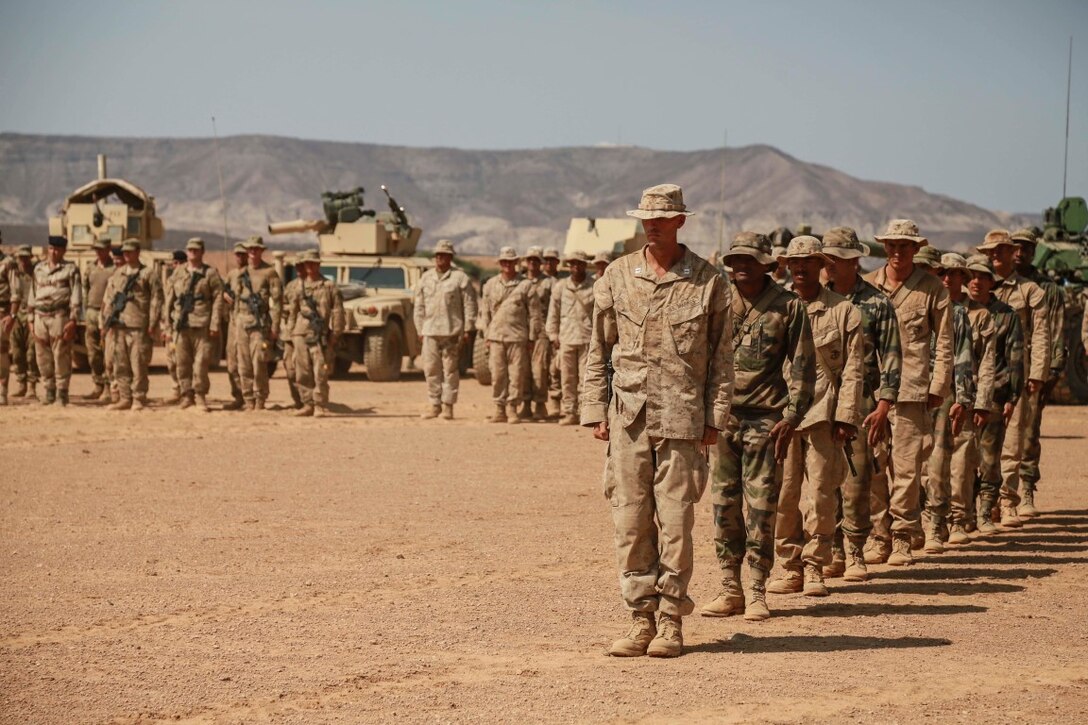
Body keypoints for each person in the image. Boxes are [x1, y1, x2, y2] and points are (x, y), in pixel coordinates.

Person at [584, 183, 734, 658]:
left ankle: (671, 620)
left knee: (675, 523)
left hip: (684, 420)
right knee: (630, 522)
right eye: (646, 217)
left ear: (679, 222)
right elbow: (598, 348)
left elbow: (721, 360)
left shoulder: (709, 281)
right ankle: (639, 619)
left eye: (662, 218)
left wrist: (715, 417)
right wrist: (595, 410)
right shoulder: (616, 275)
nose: (652, 224)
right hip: (629, 417)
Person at [701, 231, 813, 621]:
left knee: (762, 507)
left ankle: (758, 590)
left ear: (767, 263)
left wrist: (792, 416)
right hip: (724, 418)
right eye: (735, 261)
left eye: (749, 260)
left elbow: (803, 366)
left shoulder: (788, 307)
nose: (740, 267)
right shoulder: (718, 302)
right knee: (723, 504)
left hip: (767, 420)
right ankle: (730, 586)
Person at [768, 236, 863, 597]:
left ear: (822, 265)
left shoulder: (844, 311)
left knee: (823, 493)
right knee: (785, 493)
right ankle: (790, 565)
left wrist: (846, 417)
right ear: (787, 267)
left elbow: (853, 371)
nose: (801, 268)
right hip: (783, 417)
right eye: (794, 263)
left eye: (808, 261)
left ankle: (815, 566)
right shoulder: (776, 307)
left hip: (824, 412)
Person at [863, 220, 953, 567]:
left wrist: (939, 386)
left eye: (905, 246)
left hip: (912, 390)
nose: (898, 252)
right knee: (872, 465)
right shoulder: (869, 286)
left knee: (906, 468)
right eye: (892, 245)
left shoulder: (931, 288)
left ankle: (902, 536)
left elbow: (944, 342)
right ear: (884, 247)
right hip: (872, 390)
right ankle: (878, 535)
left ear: (916, 249)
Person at [821, 227, 900, 582]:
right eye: (827, 260)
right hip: (821, 402)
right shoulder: (816, 301)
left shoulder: (877, 303)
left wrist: (884, 404)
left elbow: (892, 357)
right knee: (825, 479)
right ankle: (832, 550)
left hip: (863, 402)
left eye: (836, 260)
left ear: (854, 262)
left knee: (857, 480)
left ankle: (855, 552)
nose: (830, 266)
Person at [978, 229, 1050, 527]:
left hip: (1017, 373)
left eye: (1000, 251)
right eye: (990, 252)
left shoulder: (1030, 291)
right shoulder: (978, 285)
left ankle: (1007, 501)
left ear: (1011, 253)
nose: (995, 256)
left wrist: (1037, 373)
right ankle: (982, 504)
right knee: (978, 442)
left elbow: (1041, 334)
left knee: (1013, 439)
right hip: (981, 373)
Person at [965, 254, 1022, 534]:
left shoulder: (1007, 315)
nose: (976, 282)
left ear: (991, 282)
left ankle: (986, 511)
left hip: (995, 395)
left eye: (982, 277)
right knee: (963, 459)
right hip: (963, 395)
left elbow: (1015, 358)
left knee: (989, 457)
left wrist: (1011, 397)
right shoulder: (960, 311)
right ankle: (966, 514)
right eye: (972, 276)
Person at [1010, 228, 1064, 516]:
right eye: (1015, 247)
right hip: (1002, 366)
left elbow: (1055, 331)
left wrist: (1051, 370)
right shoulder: (999, 283)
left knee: (1029, 431)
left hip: (1033, 365)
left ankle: (1027, 486)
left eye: (1026, 248)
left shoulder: (1047, 288)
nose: (1020, 253)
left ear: (1034, 252)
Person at [943, 253, 996, 543]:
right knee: (930, 462)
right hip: (935, 397)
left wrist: (981, 402)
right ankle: (935, 519)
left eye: (954, 273)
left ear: (963, 277)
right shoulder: (934, 307)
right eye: (944, 273)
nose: (948, 278)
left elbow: (986, 363)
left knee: (963, 460)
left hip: (965, 394)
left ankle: (959, 520)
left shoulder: (979, 315)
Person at [414, 239, 477, 420]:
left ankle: (448, 406)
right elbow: (419, 306)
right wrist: (419, 329)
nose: (440, 259)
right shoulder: (426, 278)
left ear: (450, 257)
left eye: (444, 255)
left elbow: (469, 305)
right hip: (430, 330)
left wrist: (468, 329)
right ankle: (435, 405)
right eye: (438, 255)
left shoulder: (460, 278)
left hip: (452, 330)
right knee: (431, 368)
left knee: (450, 370)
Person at [477, 247, 540, 423]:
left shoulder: (526, 285)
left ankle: (512, 408)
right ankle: (499, 408)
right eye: (504, 261)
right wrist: (486, 335)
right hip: (496, 337)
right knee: (497, 375)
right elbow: (485, 312)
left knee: (517, 376)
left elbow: (534, 314)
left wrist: (532, 338)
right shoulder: (490, 285)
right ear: (500, 263)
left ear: (516, 263)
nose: (507, 265)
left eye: (510, 262)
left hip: (518, 337)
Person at [101, 239, 162, 411]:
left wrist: (152, 323)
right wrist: (108, 321)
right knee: (120, 364)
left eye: (130, 251)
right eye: (124, 252)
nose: (126, 255)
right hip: (119, 325)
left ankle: (139, 399)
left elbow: (156, 300)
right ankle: (125, 397)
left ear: (137, 252)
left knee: (138, 364)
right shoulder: (118, 274)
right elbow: (111, 299)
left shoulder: (148, 274)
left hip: (138, 326)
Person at [163, 238, 224, 411]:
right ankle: (186, 395)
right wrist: (167, 324)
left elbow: (218, 298)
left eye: (196, 250)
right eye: (190, 250)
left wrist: (214, 324)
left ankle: (200, 395)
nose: (192, 253)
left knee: (201, 363)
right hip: (181, 325)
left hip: (201, 324)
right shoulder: (178, 272)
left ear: (202, 252)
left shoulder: (210, 273)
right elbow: (169, 299)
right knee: (182, 363)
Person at [286, 250, 345, 417]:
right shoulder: (298, 287)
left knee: (320, 370)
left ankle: (319, 404)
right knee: (302, 371)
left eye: (313, 263)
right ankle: (307, 404)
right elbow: (293, 312)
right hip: (300, 333)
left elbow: (338, 311)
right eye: (307, 264)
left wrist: (336, 334)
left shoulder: (329, 286)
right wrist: (290, 334)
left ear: (318, 264)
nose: (310, 267)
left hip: (320, 335)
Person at [27, 236, 82, 406]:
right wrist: (30, 318)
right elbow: (33, 294)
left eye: (57, 249)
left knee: (61, 355)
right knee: (42, 357)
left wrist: (73, 320)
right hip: (40, 317)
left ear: (64, 250)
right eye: (51, 248)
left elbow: (76, 295)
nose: (53, 252)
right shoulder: (38, 269)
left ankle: (62, 394)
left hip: (59, 316)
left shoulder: (70, 269)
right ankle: (49, 392)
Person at [230, 236, 283, 411]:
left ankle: (260, 398)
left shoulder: (270, 272)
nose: (253, 252)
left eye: (256, 249)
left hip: (260, 324)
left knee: (259, 362)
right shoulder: (240, 273)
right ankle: (248, 399)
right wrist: (235, 320)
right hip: (241, 323)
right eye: (250, 249)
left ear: (261, 251)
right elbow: (236, 299)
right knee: (243, 363)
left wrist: (275, 327)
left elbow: (277, 302)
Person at [545, 250, 594, 425]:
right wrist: (553, 335)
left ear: (585, 265)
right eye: (572, 264)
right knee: (567, 378)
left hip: (587, 339)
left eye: (579, 263)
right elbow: (553, 313)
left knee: (586, 378)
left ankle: (584, 413)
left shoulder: (594, 286)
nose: (575, 267)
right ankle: (569, 412)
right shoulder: (560, 287)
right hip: (566, 339)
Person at [522, 246, 554, 421]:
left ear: (541, 263)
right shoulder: (520, 283)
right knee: (523, 370)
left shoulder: (549, 283)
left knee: (539, 370)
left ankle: (540, 405)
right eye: (530, 260)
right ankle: (525, 404)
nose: (532, 263)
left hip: (541, 332)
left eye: (536, 260)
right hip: (520, 331)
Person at [81, 239, 115, 400]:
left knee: (107, 352)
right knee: (93, 352)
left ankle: (108, 387)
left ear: (108, 249)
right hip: (91, 313)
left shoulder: (115, 269)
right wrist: (85, 309)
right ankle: (97, 384)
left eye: (102, 249)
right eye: (97, 249)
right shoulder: (90, 268)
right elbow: (85, 288)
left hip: (107, 314)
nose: (99, 252)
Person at [7, 247, 39, 401]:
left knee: (32, 353)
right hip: (16, 317)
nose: (23, 260)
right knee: (17, 352)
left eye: (26, 257)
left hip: (33, 316)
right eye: (20, 257)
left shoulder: (37, 273)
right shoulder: (12, 273)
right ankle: (21, 384)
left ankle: (32, 387)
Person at [222, 242, 249, 410]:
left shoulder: (255, 273)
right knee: (231, 363)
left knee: (247, 363)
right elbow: (223, 290)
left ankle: (250, 397)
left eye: (243, 254)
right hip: (233, 322)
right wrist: (225, 294)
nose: (240, 257)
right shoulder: (231, 275)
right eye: (237, 254)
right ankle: (238, 395)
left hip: (248, 323)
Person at [162, 249, 187, 404]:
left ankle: (186, 391)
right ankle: (176, 388)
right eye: (173, 264)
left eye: (177, 263)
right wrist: (165, 326)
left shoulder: (187, 279)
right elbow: (167, 304)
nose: (175, 266)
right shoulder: (171, 280)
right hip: (172, 325)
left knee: (184, 360)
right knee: (171, 360)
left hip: (185, 325)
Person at [542, 247, 564, 417]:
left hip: (563, 332)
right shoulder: (538, 282)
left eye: (552, 260)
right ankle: (550, 402)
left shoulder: (563, 282)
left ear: (558, 262)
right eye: (546, 260)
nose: (548, 264)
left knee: (559, 368)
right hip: (541, 332)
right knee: (545, 369)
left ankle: (563, 403)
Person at [281, 256, 304, 409]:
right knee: (290, 368)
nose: (300, 270)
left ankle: (310, 400)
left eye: (302, 266)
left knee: (306, 368)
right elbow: (283, 305)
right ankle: (298, 401)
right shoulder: (290, 286)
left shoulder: (320, 285)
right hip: (290, 333)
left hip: (307, 334)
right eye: (298, 267)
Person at [0, 243, 15, 405]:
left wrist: (12, 315)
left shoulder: (8, 263)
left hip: (2, 313)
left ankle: (2, 392)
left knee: (1, 353)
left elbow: (15, 292)